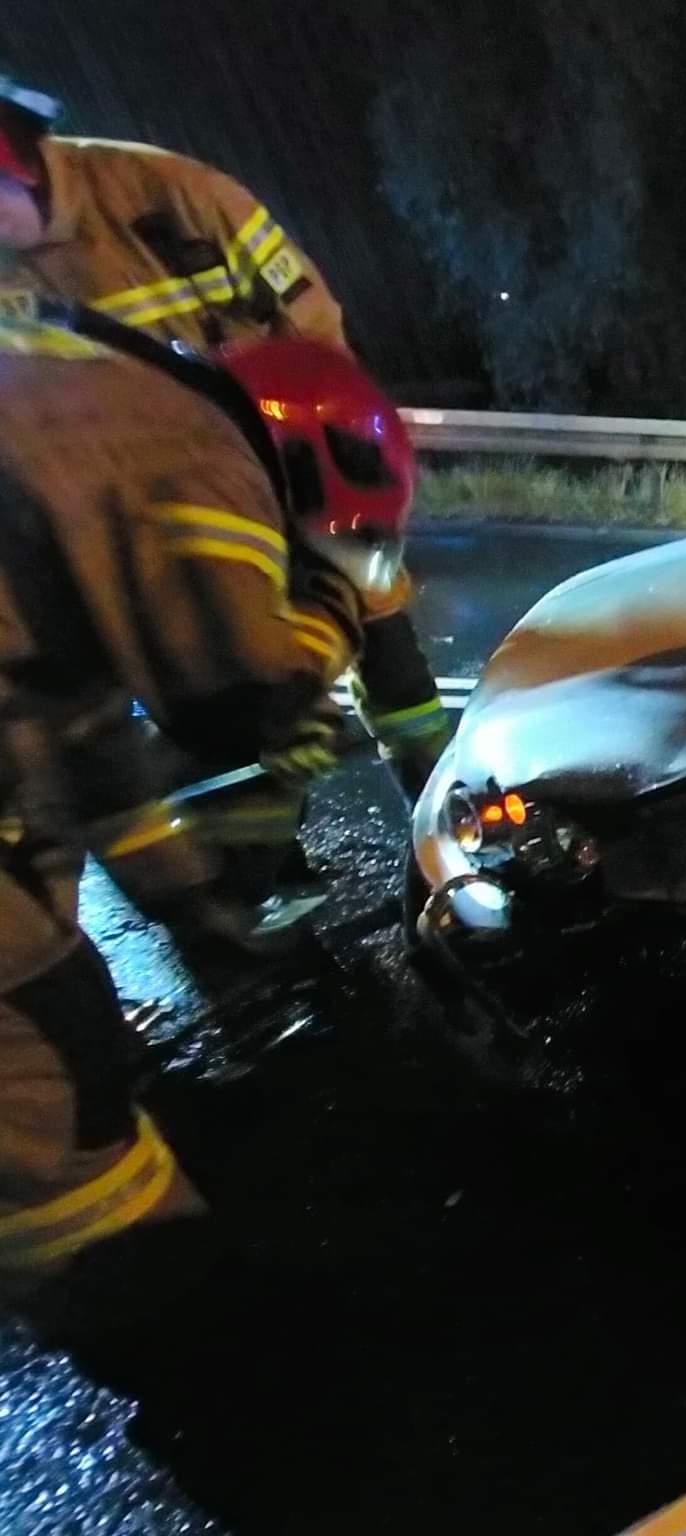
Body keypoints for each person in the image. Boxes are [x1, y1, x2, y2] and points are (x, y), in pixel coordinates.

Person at [0, 311, 391, 1296]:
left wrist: (191, 904)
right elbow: (246, 686)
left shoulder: (80, 427)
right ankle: (156, 1315)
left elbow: (83, 745)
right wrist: (341, 599)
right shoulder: (187, 446)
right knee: (62, 1087)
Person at [0, 71, 450, 924]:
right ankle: (256, 887)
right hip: (166, 524)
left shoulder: (172, 199)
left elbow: (316, 337)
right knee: (255, 704)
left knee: (389, 662)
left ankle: (448, 821)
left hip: (299, 466)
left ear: (17, 161)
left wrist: (333, 487)